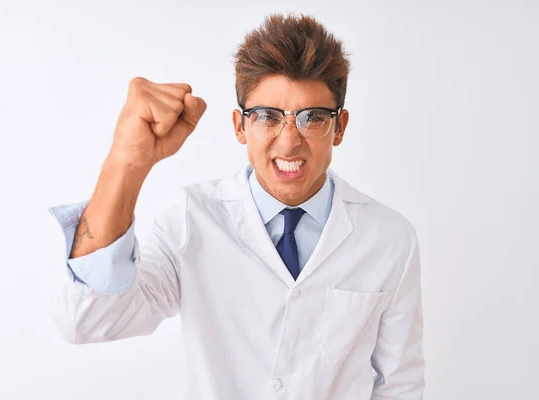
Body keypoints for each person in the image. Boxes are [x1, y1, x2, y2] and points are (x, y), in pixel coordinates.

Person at [48, 13, 425, 400]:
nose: (289, 141)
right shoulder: (191, 219)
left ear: (340, 126)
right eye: (267, 117)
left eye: (313, 118)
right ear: (239, 125)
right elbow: (87, 320)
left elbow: (399, 385)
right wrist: (125, 162)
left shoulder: (389, 238)